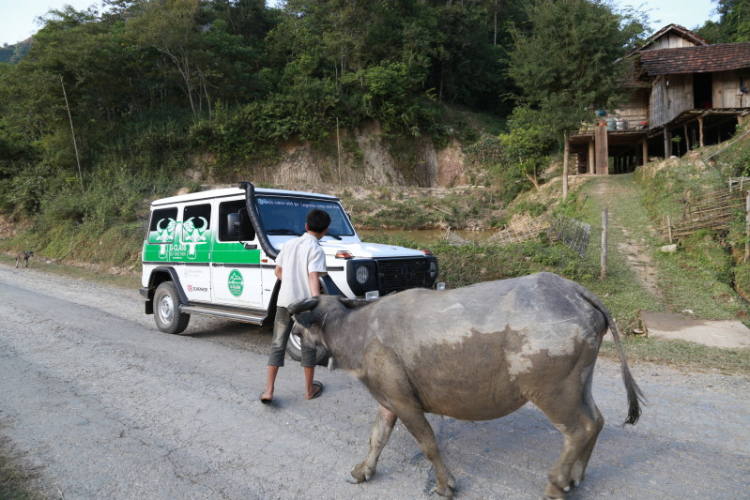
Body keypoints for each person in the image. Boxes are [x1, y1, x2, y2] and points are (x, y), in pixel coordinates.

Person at [260, 208, 331, 404]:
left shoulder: (289, 244)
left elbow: (278, 272)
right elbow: (313, 277)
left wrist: (290, 282)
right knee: (308, 346)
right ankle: (309, 390)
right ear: (325, 230)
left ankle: (268, 390)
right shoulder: (316, 249)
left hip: (284, 302)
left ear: (306, 226)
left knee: (277, 344)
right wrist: (317, 303)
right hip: (304, 305)